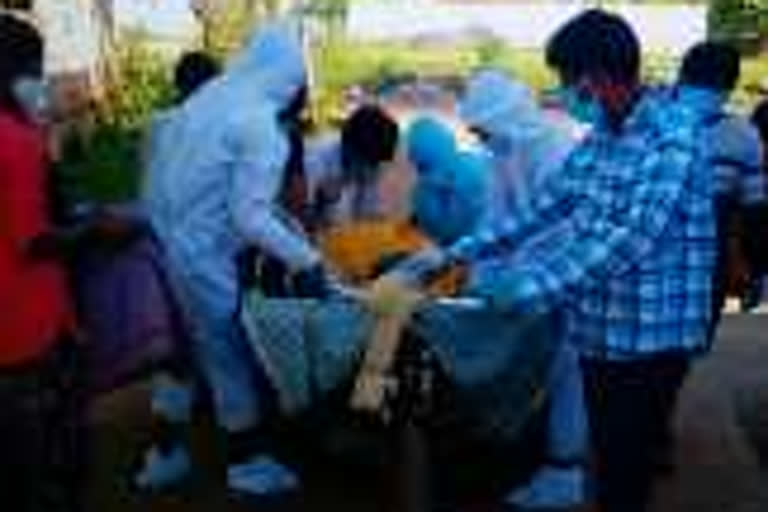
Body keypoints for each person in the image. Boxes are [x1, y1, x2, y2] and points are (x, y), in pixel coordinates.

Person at [385, 10, 718, 512]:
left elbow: (632, 236)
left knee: (628, 465)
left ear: (600, 74)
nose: (564, 94)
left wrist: (528, 286)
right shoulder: (605, 134)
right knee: (609, 452)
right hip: (602, 326)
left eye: (569, 80)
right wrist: (450, 256)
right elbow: (541, 210)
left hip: (651, 333)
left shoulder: (674, 134)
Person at [142, 17, 335, 497]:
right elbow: (250, 217)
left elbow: (184, 177)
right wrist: (307, 260)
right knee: (227, 357)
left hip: (169, 243)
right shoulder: (259, 124)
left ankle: (163, 456)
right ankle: (247, 464)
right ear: (289, 80)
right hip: (203, 259)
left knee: (182, 355)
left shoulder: (211, 98)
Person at [458, 70, 589, 510]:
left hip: (566, 278)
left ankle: (565, 470)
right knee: (537, 369)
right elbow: (495, 223)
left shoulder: (556, 152)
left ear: (505, 118)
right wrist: (478, 273)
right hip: (530, 278)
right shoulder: (503, 153)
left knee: (567, 368)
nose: (480, 137)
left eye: (483, 129)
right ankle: (541, 457)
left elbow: (561, 232)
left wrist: (521, 278)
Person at [0, 14, 83, 511]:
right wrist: (95, 232)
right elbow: (33, 242)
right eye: (35, 67)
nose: (41, 80)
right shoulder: (17, 141)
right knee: (47, 459)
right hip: (26, 327)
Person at [676, 42, 768, 319]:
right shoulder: (744, 136)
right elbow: (755, 212)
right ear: (730, 87)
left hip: (652, 262)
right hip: (709, 263)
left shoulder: (647, 119)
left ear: (681, 78)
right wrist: (754, 269)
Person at [304, 104, 400, 225]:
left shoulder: (370, 162)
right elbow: (297, 220)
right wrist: (322, 202)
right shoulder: (315, 161)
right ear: (348, 149)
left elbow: (366, 214)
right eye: (367, 164)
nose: (370, 170)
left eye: (375, 165)